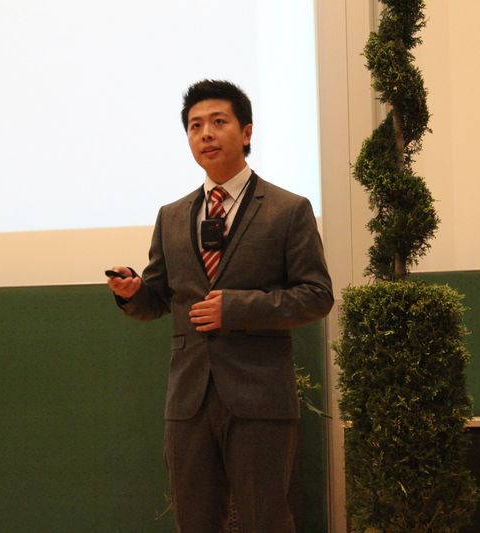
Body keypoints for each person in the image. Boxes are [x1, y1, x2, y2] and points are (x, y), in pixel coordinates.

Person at [107, 79, 333, 533]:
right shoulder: (172, 216)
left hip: (260, 396)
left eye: (218, 122)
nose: (205, 133)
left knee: (265, 520)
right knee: (194, 520)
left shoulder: (288, 209)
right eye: (195, 126)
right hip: (189, 399)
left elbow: (316, 295)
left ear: (246, 132)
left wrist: (237, 308)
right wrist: (132, 294)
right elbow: (159, 298)